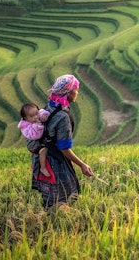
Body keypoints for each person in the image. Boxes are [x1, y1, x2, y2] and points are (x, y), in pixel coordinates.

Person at [31, 74, 94, 209]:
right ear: (68, 93)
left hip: (42, 158)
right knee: (66, 197)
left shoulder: (49, 106)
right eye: (75, 90)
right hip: (55, 161)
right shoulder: (63, 117)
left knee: (49, 199)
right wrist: (82, 165)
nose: (77, 93)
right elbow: (64, 148)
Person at [18, 102, 51, 177]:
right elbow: (36, 136)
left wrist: (44, 115)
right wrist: (38, 125)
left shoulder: (37, 115)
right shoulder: (25, 127)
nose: (36, 117)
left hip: (38, 142)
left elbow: (42, 112)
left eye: (36, 113)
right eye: (32, 116)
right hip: (33, 144)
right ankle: (43, 168)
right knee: (44, 150)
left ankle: (35, 160)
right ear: (26, 118)